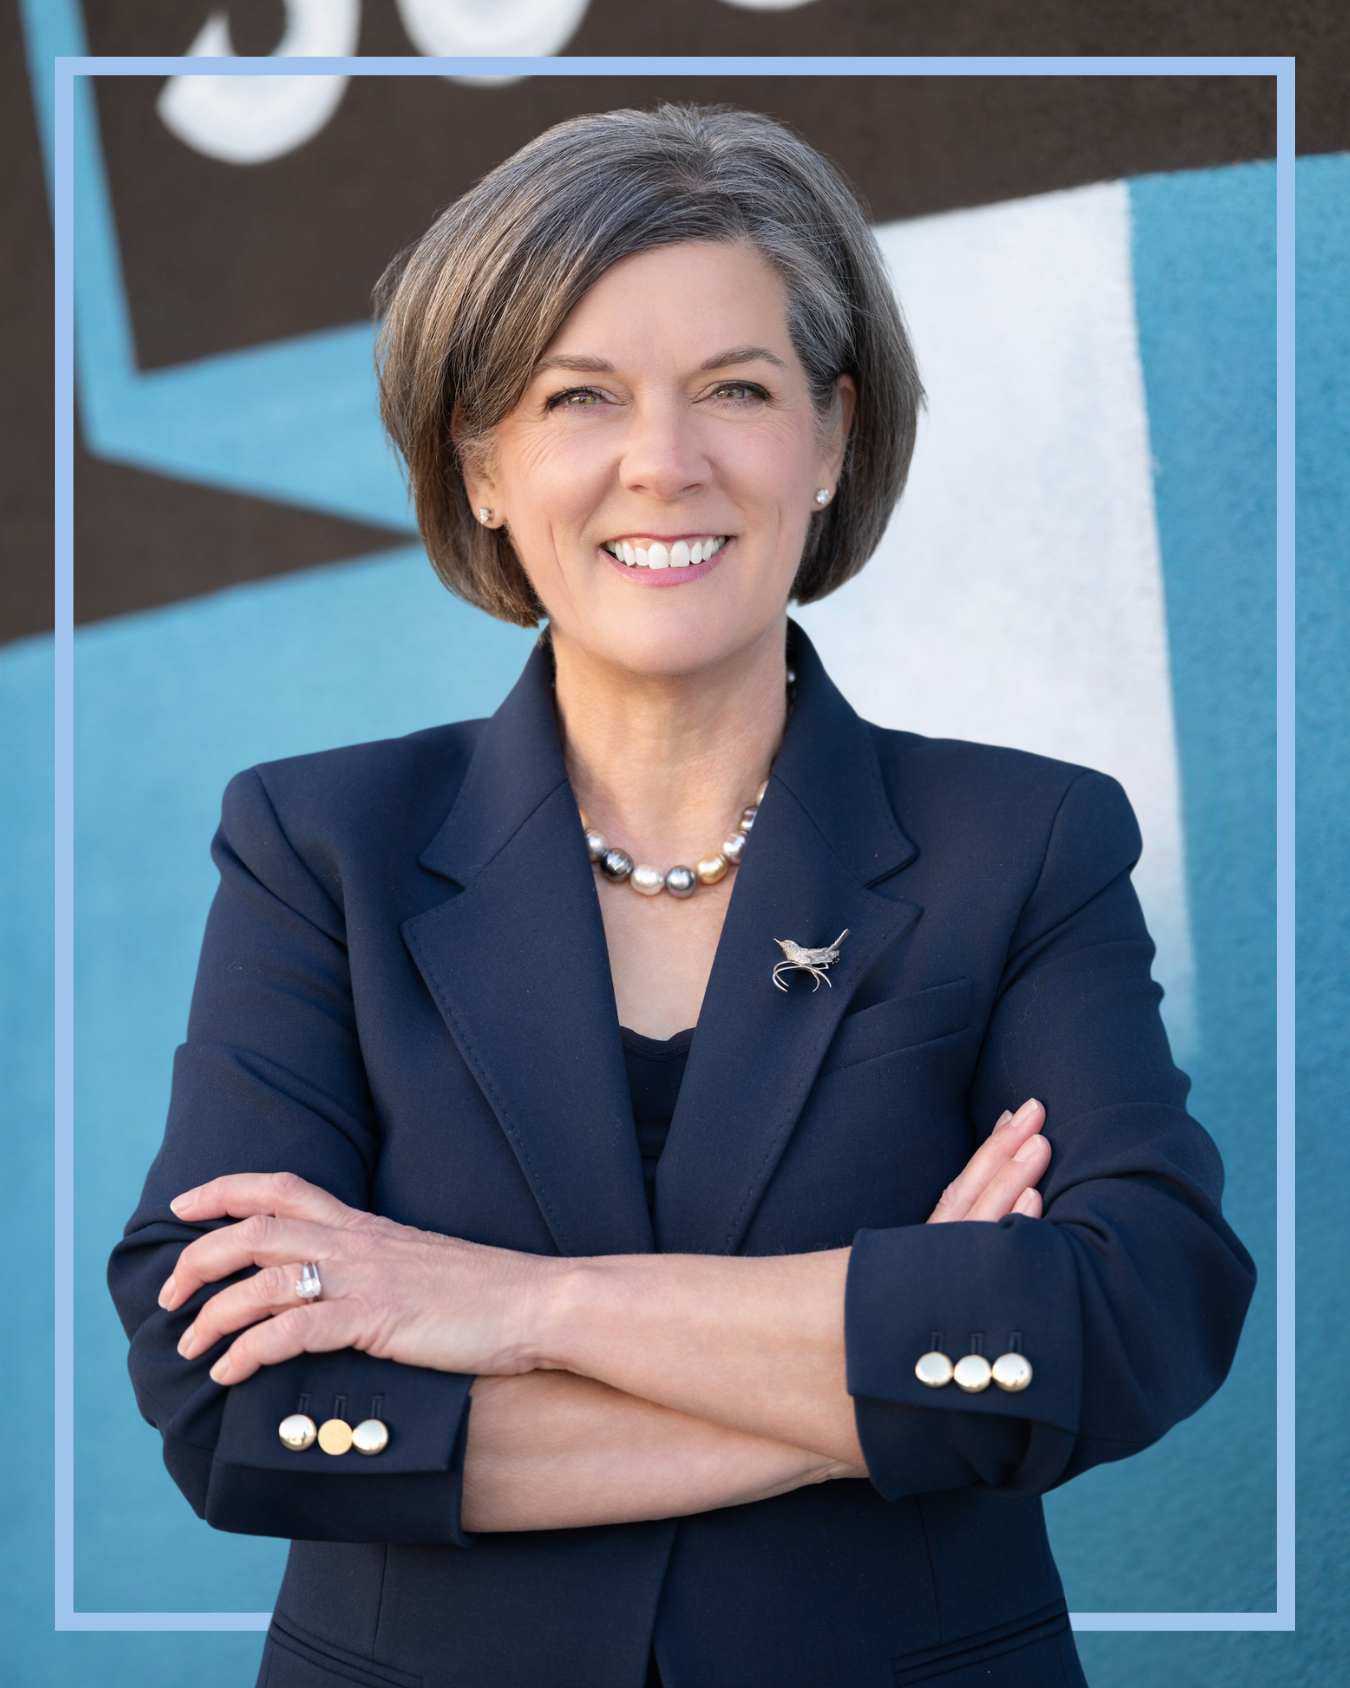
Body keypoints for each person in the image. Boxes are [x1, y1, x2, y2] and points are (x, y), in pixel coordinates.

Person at [109, 105, 1255, 1688]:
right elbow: (234, 1403)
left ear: (832, 437)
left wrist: (512, 1308)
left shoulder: (1026, 841)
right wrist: (892, 1383)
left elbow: (1136, 1316)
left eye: (735, 388)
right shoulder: (318, 845)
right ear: (482, 461)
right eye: (578, 397)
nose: (665, 462)